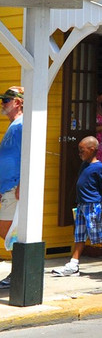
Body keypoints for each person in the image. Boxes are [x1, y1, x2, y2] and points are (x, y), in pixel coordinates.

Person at [52, 136, 102, 277]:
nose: (80, 153)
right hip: (82, 204)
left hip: (93, 204)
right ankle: (73, 265)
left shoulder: (99, 167)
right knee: (79, 235)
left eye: (82, 150)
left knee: (96, 235)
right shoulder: (84, 165)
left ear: (92, 150)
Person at [0, 86, 24, 289]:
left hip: (15, 186)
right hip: (7, 187)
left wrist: (22, 184)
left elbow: (29, 153)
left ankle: (19, 272)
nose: (2, 104)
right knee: (8, 230)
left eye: (6, 100)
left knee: (9, 230)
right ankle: (18, 271)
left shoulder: (22, 124)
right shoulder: (14, 125)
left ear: (17, 102)